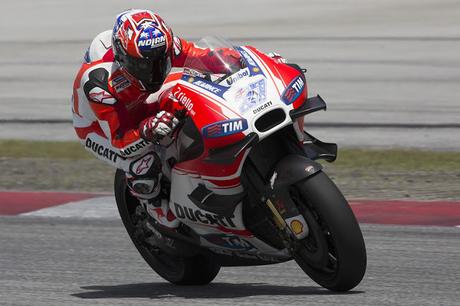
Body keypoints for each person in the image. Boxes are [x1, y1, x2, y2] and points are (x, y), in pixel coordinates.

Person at [72, 9, 285, 229]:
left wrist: (251, 60)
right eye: (142, 65)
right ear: (122, 59)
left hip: (143, 101)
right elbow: (120, 140)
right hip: (99, 129)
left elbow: (206, 58)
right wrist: (147, 131)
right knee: (142, 163)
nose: (153, 71)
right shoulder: (99, 84)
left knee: (193, 92)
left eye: (160, 60)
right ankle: (156, 211)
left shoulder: (166, 45)